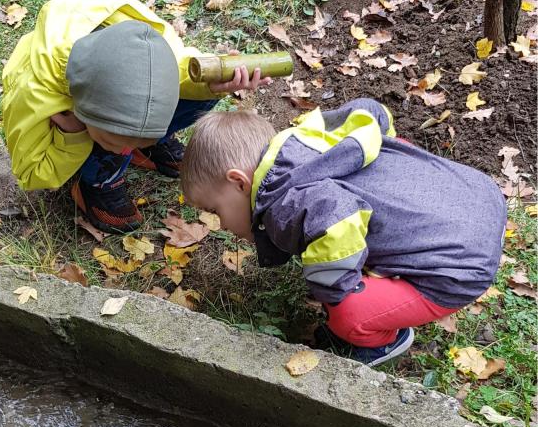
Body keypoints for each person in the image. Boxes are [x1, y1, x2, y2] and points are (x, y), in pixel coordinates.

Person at [180, 97, 507, 366]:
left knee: (347, 313)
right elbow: (371, 111)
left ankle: (381, 343)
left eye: (214, 210)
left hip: (461, 268)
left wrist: (332, 290)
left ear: (239, 182)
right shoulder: (308, 141)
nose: (220, 224)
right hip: (477, 195)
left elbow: (338, 219)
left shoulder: (286, 205)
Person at [2, 0, 268, 232]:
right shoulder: (34, 92)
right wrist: (71, 135)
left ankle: (146, 140)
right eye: (116, 142)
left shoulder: (151, 48)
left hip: (98, 100)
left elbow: (183, 68)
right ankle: (98, 179)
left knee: (203, 85)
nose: (125, 152)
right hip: (72, 119)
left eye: (131, 146)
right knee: (110, 141)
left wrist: (211, 84)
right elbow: (32, 174)